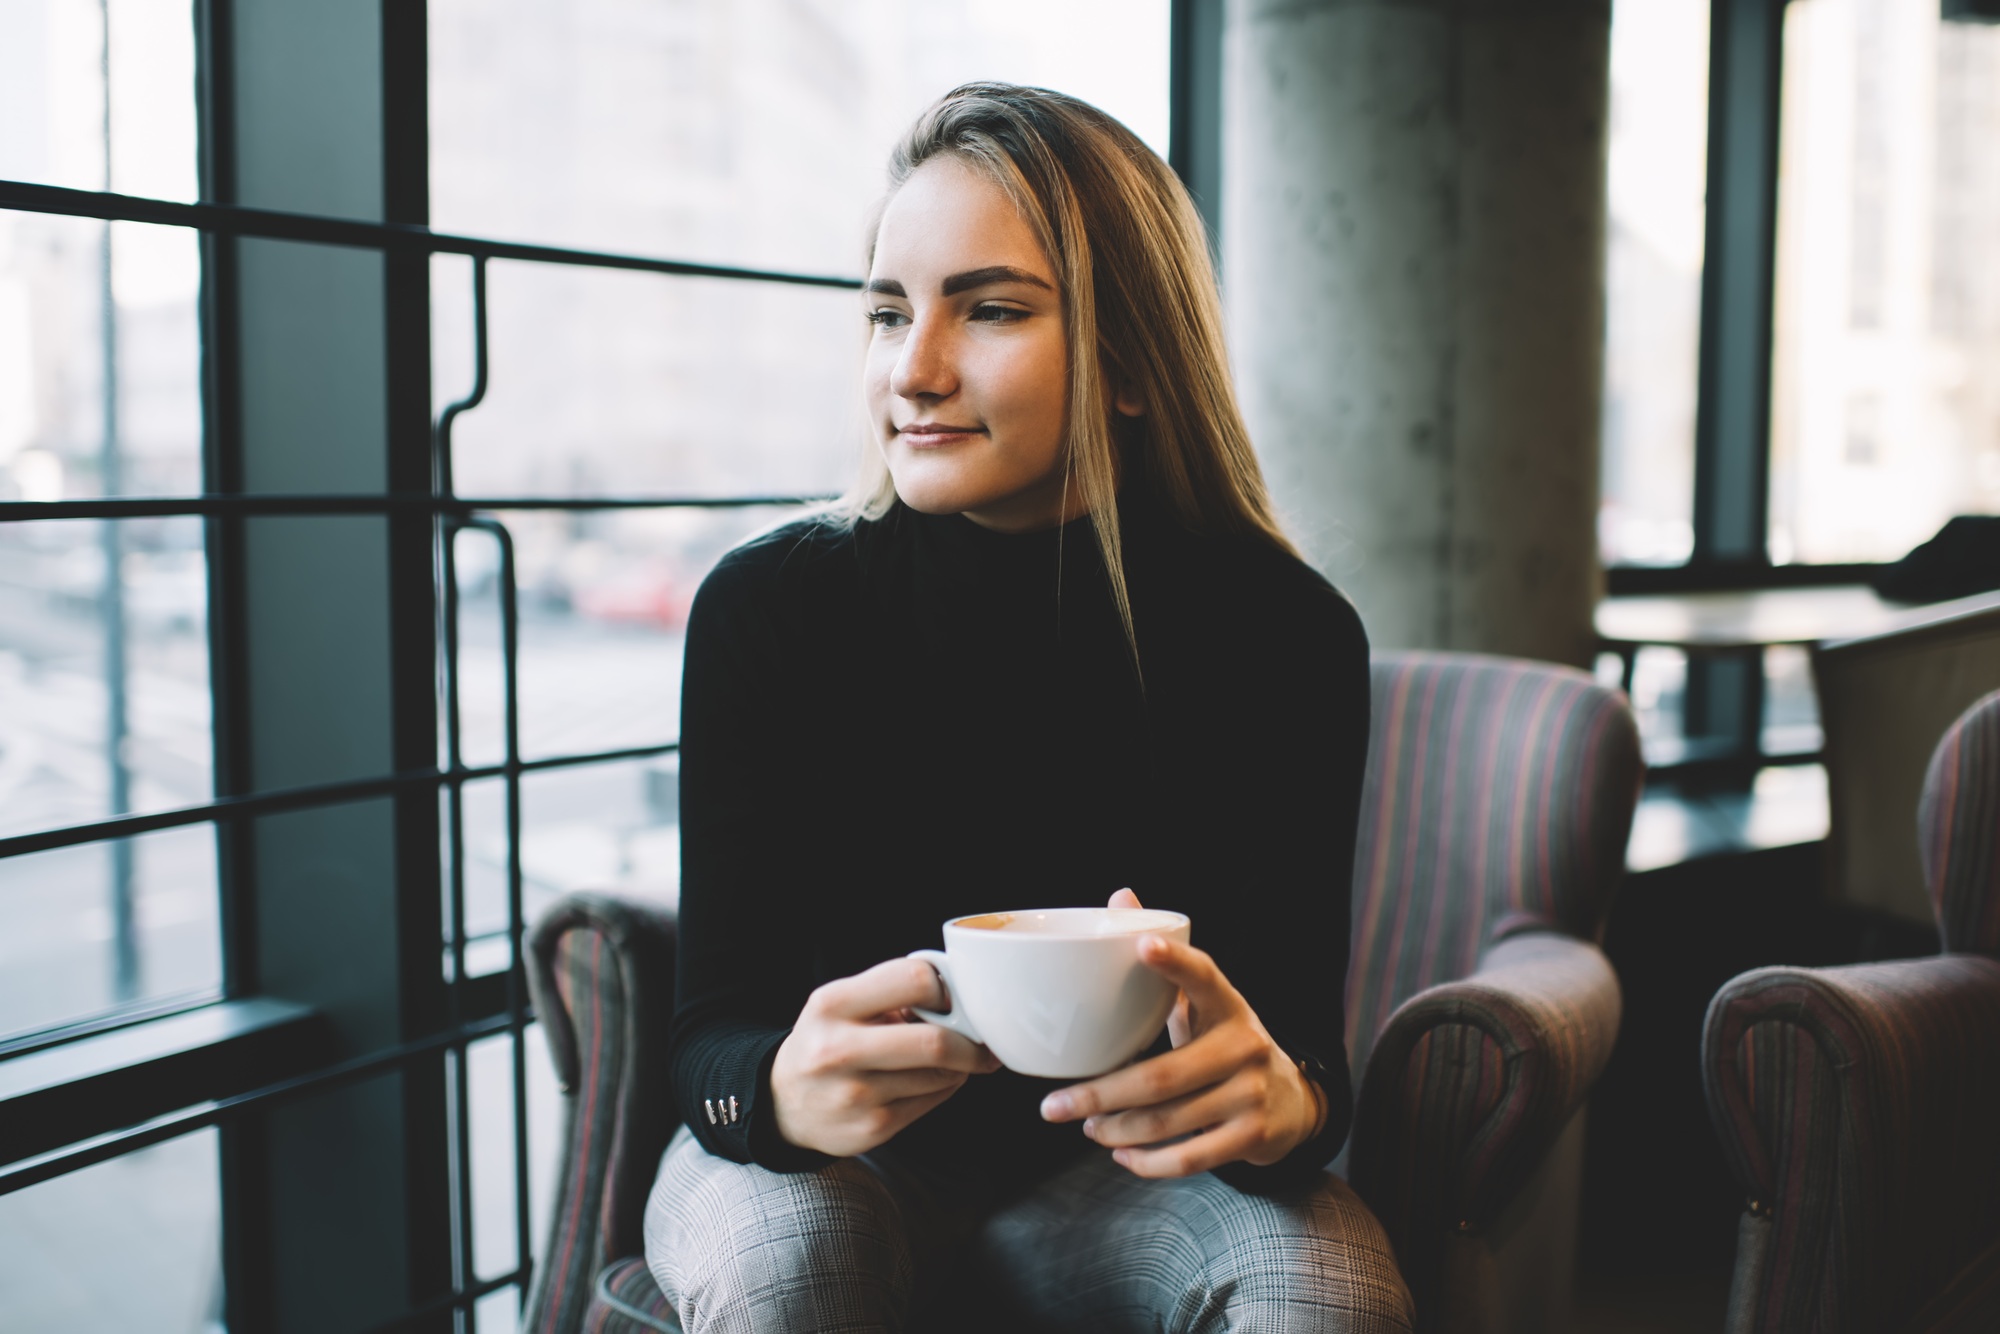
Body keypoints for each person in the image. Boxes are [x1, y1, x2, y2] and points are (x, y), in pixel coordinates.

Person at [645, 83, 1412, 1333]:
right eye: (888, 311)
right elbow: (708, 1034)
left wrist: (1281, 1102)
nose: (913, 367)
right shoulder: (768, 608)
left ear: (1127, 361)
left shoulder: (1281, 634)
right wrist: (776, 1092)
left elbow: (1297, 1063)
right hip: (834, 1170)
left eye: (988, 309)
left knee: (1316, 1288)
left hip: (1117, 1186)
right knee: (791, 1270)